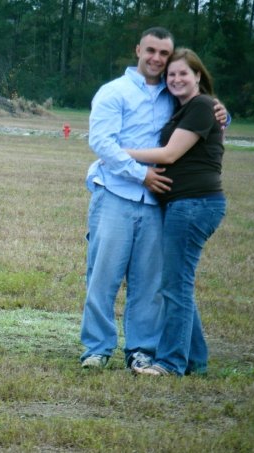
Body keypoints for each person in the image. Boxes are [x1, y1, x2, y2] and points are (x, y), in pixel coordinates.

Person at [80, 27, 228, 370]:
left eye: (164, 54)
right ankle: (97, 349)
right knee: (103, 277)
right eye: (151, 51)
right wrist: (141, 173)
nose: (157, 59)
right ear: (137, 50)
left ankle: (141, 349)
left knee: (149, 284)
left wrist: (223, 113)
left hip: (155, 203)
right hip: (116, 194)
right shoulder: (113, 92)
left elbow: (202, 113)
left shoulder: (171, 93)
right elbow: (102, 143)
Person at [125, 48, 226, 376]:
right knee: (178, 284)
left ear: (198, 76)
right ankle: (196, 361)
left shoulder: (201, 105)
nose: (176, 79)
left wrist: (119, 153)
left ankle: (169, 363)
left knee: (175, 286)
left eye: (184, 73)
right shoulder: (187, 109)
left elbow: (169, 154)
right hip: (186, 205)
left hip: (194, 205)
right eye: (171, 75)